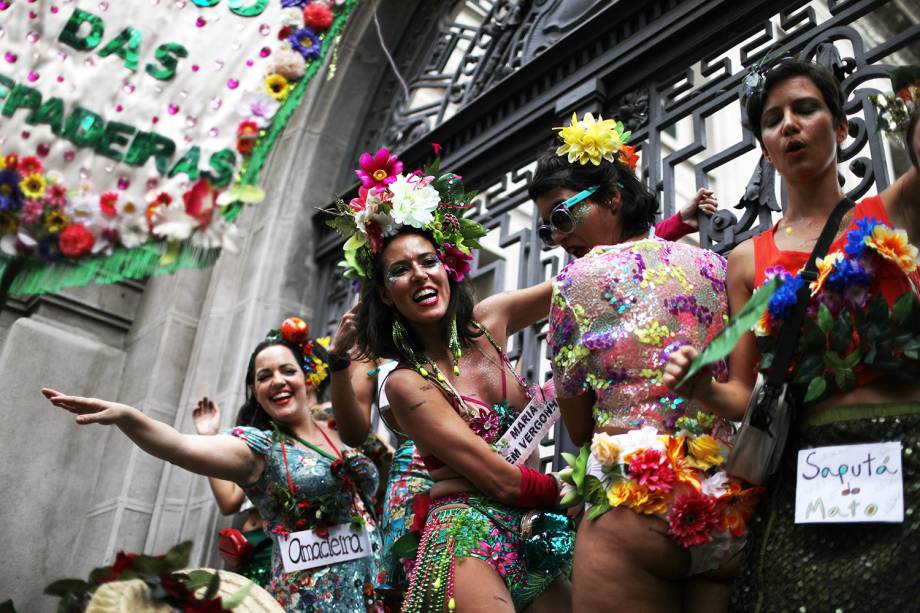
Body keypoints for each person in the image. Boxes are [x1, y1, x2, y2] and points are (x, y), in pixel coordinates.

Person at [663, 58, 920, 610]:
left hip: (910, 452)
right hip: (813, 478)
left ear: (843, 126)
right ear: (764, 146)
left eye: (806, 108)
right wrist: (699, 387)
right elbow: (743, 390)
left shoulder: (898, 207)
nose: (790, 125)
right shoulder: (745, 262)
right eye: (773, 119)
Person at [531, 112, 761, 613]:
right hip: (725, 506)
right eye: (547, 227)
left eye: (562, 216)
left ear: (612, 198)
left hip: (633, 503)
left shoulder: (577, 280)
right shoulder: (714, 265)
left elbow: (577, 424)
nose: (557, 236)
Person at [326, 151, 575, 612]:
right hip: (468, 534)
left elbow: (580, 283)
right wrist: (572, 489)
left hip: (536, 528)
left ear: (449, 267)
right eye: (400, 271)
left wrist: (660, 233)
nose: (418, 274)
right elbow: (499, 480)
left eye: (428, 261)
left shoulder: (491, 320)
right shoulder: (404, 384)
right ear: (385, 293)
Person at [43, 326, 384, 612]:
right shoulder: (257, 449)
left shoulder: (341, 427)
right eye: (264, 377)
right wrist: (127, 416)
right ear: (255, 392)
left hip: (375, 583)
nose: (277, 381)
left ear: (305, 378)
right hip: (312, 598)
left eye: (287, 370)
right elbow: (177, 445)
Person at [192, 396, 273, 589]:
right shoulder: (252, 447)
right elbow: (228, 502)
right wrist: (209, 437)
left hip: (281, 540)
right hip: (251, 545)